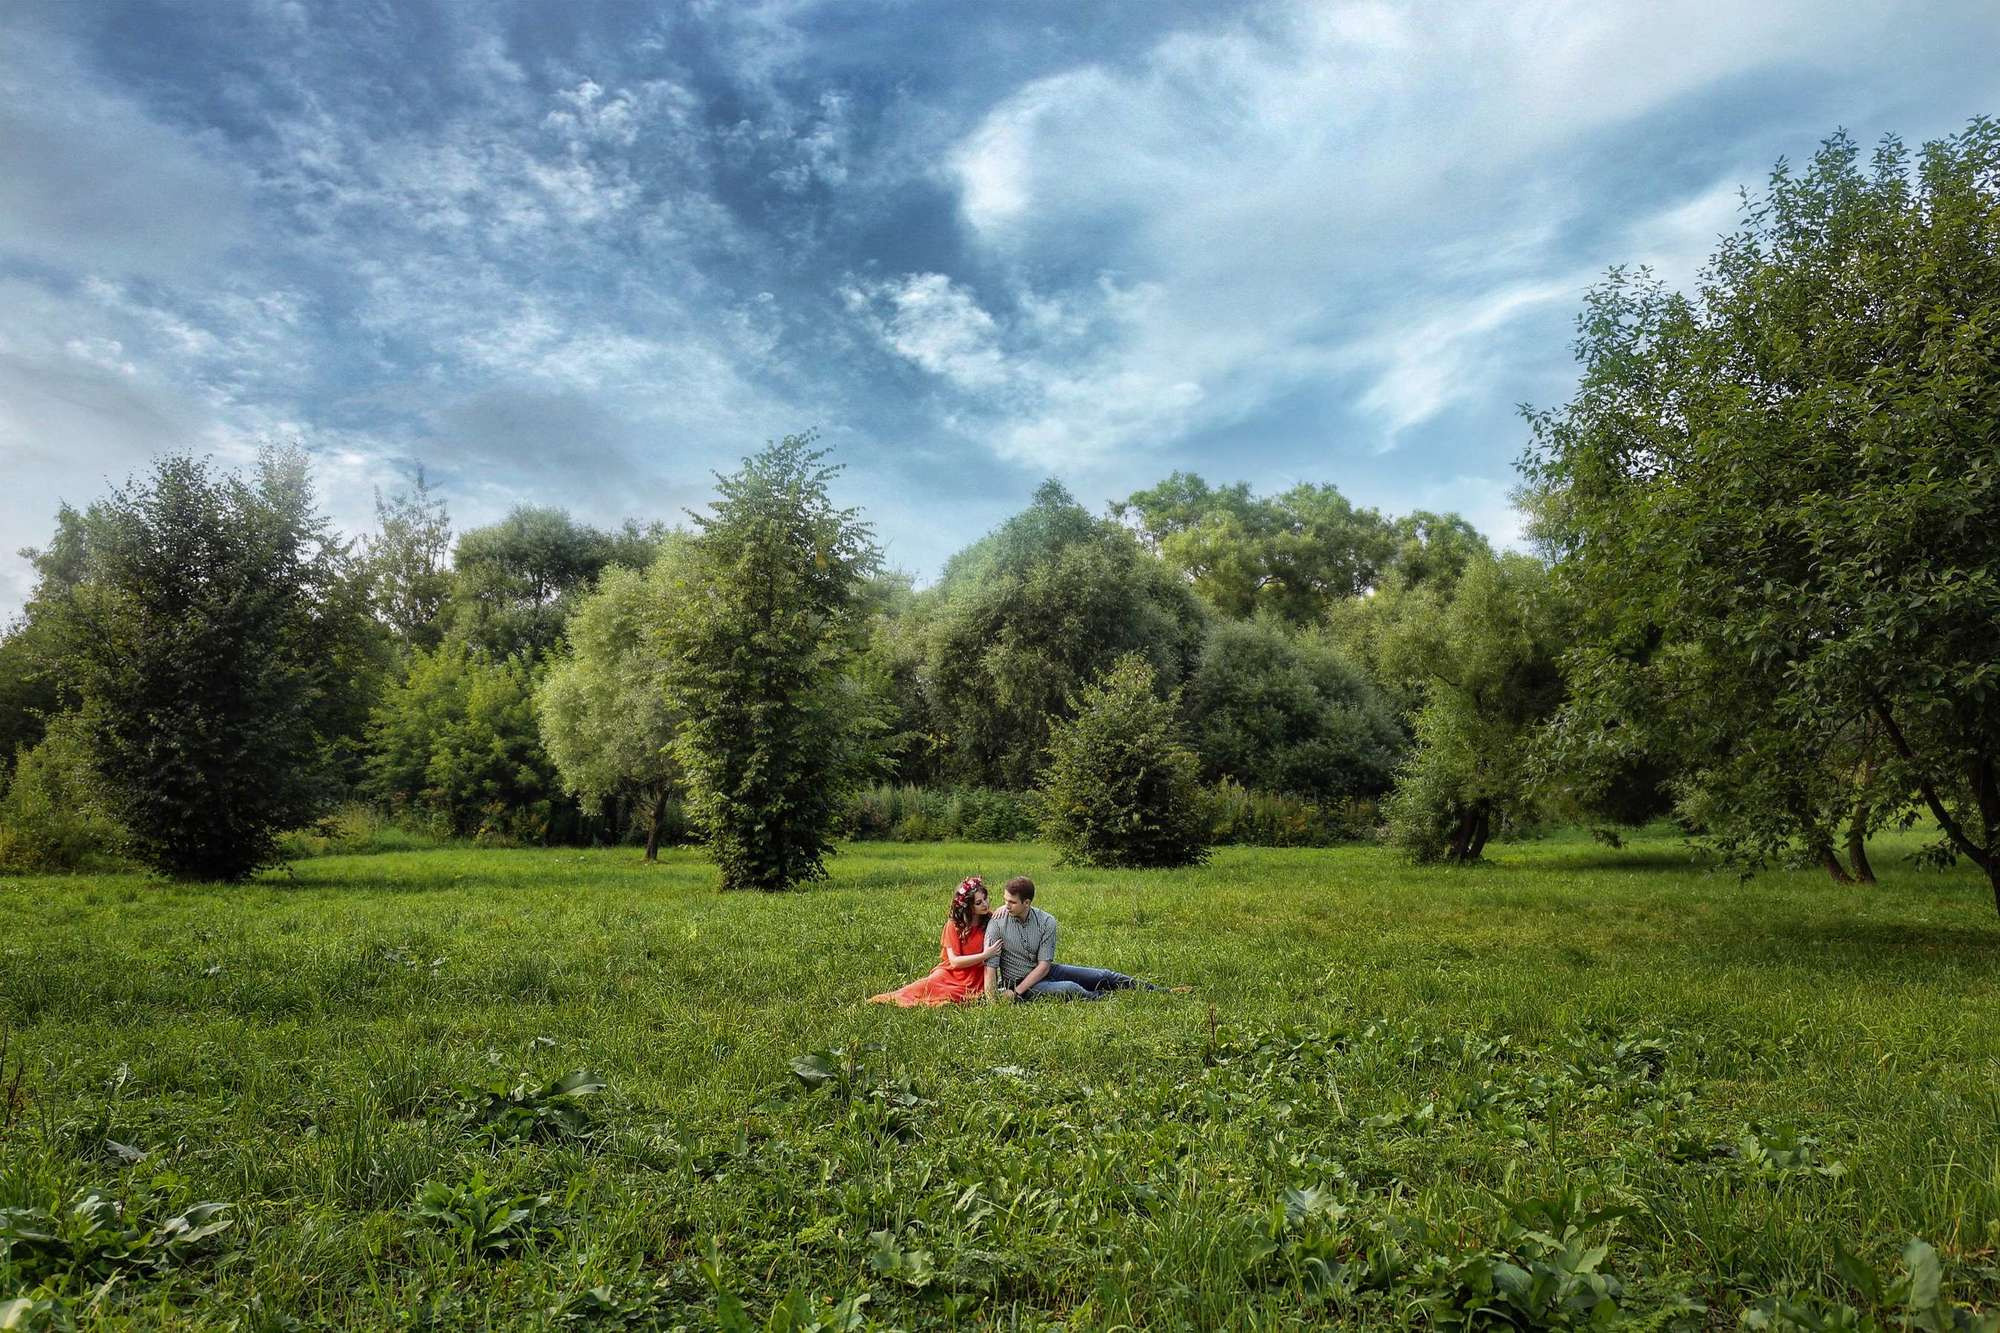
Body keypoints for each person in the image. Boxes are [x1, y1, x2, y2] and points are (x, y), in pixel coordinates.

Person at [983, 875, 1161, 1002]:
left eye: (1012, 902)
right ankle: (1108, 998)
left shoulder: (1046, 921)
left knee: (1103, 975)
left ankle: (1160, 991)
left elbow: (1044, 965)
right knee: (1070, 988)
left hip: (1044, 972)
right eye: (1005, 900)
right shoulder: (997, 923)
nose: (1006, 906)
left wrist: (1016, 993)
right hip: (1019, 981)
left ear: (1027, 903)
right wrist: (999, 999)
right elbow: (990, 968)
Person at [869, 876, 1000, 1006]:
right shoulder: (955, 925)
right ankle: (885, 1000)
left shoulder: (991, 921)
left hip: (974, 978)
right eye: (979, 902)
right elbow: (954, 962)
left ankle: (942, 1002)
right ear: (968, 906)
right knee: (921, 988)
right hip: (950, 973)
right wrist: (985, 955)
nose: (985, 904)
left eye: (985, 898)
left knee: (952, 996)